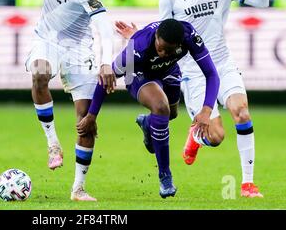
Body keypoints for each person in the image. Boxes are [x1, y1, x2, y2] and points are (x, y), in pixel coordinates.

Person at [116, 0, 269, 198]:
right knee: (217, 136)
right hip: (193, 72)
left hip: (221, 62)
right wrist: (135, 36)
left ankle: (247, 184)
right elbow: (160, 36)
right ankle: (197, 135)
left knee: (242, 112)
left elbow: (261, 1)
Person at [25, 0, 130, 201]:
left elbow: (103, 25)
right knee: (40, 73)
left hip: (79, 48)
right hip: (48, 38)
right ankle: (53, 144)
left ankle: (78, 188)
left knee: (86, 121)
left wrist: (106, 62)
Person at [77, 19, 220, 198]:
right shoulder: (137, 49)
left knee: (171, 114)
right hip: (139, 75)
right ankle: (165, 176)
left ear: (179, 43)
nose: (162, 53)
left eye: (169, 50)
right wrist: (91, 115)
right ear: (156, 37)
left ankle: (147, 123)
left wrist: (206, 110)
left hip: (169, 72)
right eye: (160, 47)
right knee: (161, 107)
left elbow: (212, 74)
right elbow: (105, 79)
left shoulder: (188, 35)